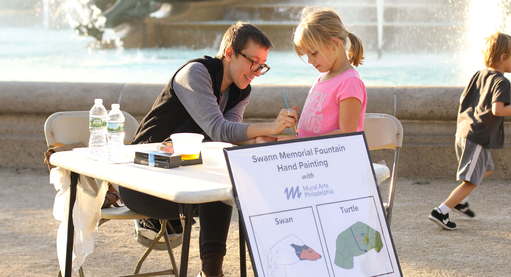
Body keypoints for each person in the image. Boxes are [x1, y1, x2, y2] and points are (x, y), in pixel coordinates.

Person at [119, 22, 298, 277]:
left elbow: (230, 137)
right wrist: (270, 126)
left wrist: (265, 139)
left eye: (263, 65)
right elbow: (219, 130)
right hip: (143, 178)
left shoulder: (241, 90)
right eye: (252, 62)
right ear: (229, 53)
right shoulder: (195, 73)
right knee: (218, 186)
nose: (257, 71)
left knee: (223, 183)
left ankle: (212, 272)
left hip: (185, 174)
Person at [428, 32, 511, 230]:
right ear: (503, 57)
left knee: (486, 169)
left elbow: (464, 99)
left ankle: (458, 201)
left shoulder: (479, 74)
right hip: (477, 137)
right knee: (471, 181)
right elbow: (498, 110)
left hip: (464, 132)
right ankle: (442, 210)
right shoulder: (502, 82)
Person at [276, 8, 367, 141]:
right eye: (306, 55)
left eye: (313, 53)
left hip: (332, 159)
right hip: (313, 156)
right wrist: (300, 118)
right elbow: (322, 124)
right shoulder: (322, 78)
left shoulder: (350, 82)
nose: (309, 61)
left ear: (335, 44)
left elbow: (347, 135)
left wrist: (299, 142)